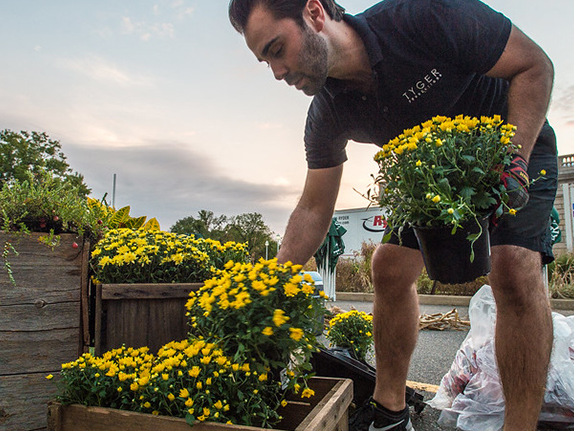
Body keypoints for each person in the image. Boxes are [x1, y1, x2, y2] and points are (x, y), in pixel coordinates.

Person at [228, 0, 558, 430]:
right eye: (264, 60)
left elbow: (534, 66)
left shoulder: (423, 17)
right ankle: (390, 411)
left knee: (513, 267)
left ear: (313, 12)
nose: (276, 72)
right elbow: (313, 207)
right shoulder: (328, 112)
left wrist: (512, 160)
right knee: (388, 266)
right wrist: (274, 284)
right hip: (434, 176)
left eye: (276, 49)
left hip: (511, 146)